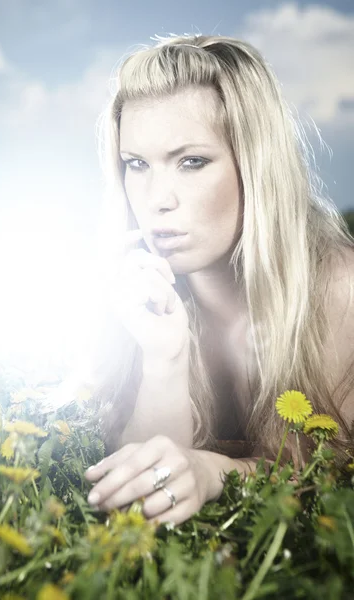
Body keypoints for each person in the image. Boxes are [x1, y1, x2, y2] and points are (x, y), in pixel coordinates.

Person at [84, 33, 354, 526]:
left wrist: (214, 472)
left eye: (191, 162)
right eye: (136, 165)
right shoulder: (136, 294)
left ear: (255, 166)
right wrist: (165, 360)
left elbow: (332, 474)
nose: (157, 198)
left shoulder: (340, 290)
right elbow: (137, 492)